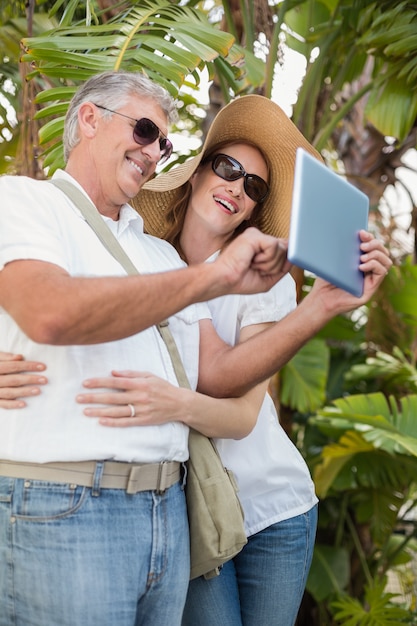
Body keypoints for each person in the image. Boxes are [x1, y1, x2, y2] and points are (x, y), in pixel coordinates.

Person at [0, 97, 390, 625]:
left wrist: (322, 303)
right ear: (199, 172)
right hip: (183, 505)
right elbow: (42, 308)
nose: (236, 186)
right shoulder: (136, 249)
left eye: (253, 186)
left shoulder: (241, 274)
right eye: (228, 167)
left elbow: (223, 383)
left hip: (254, 502)